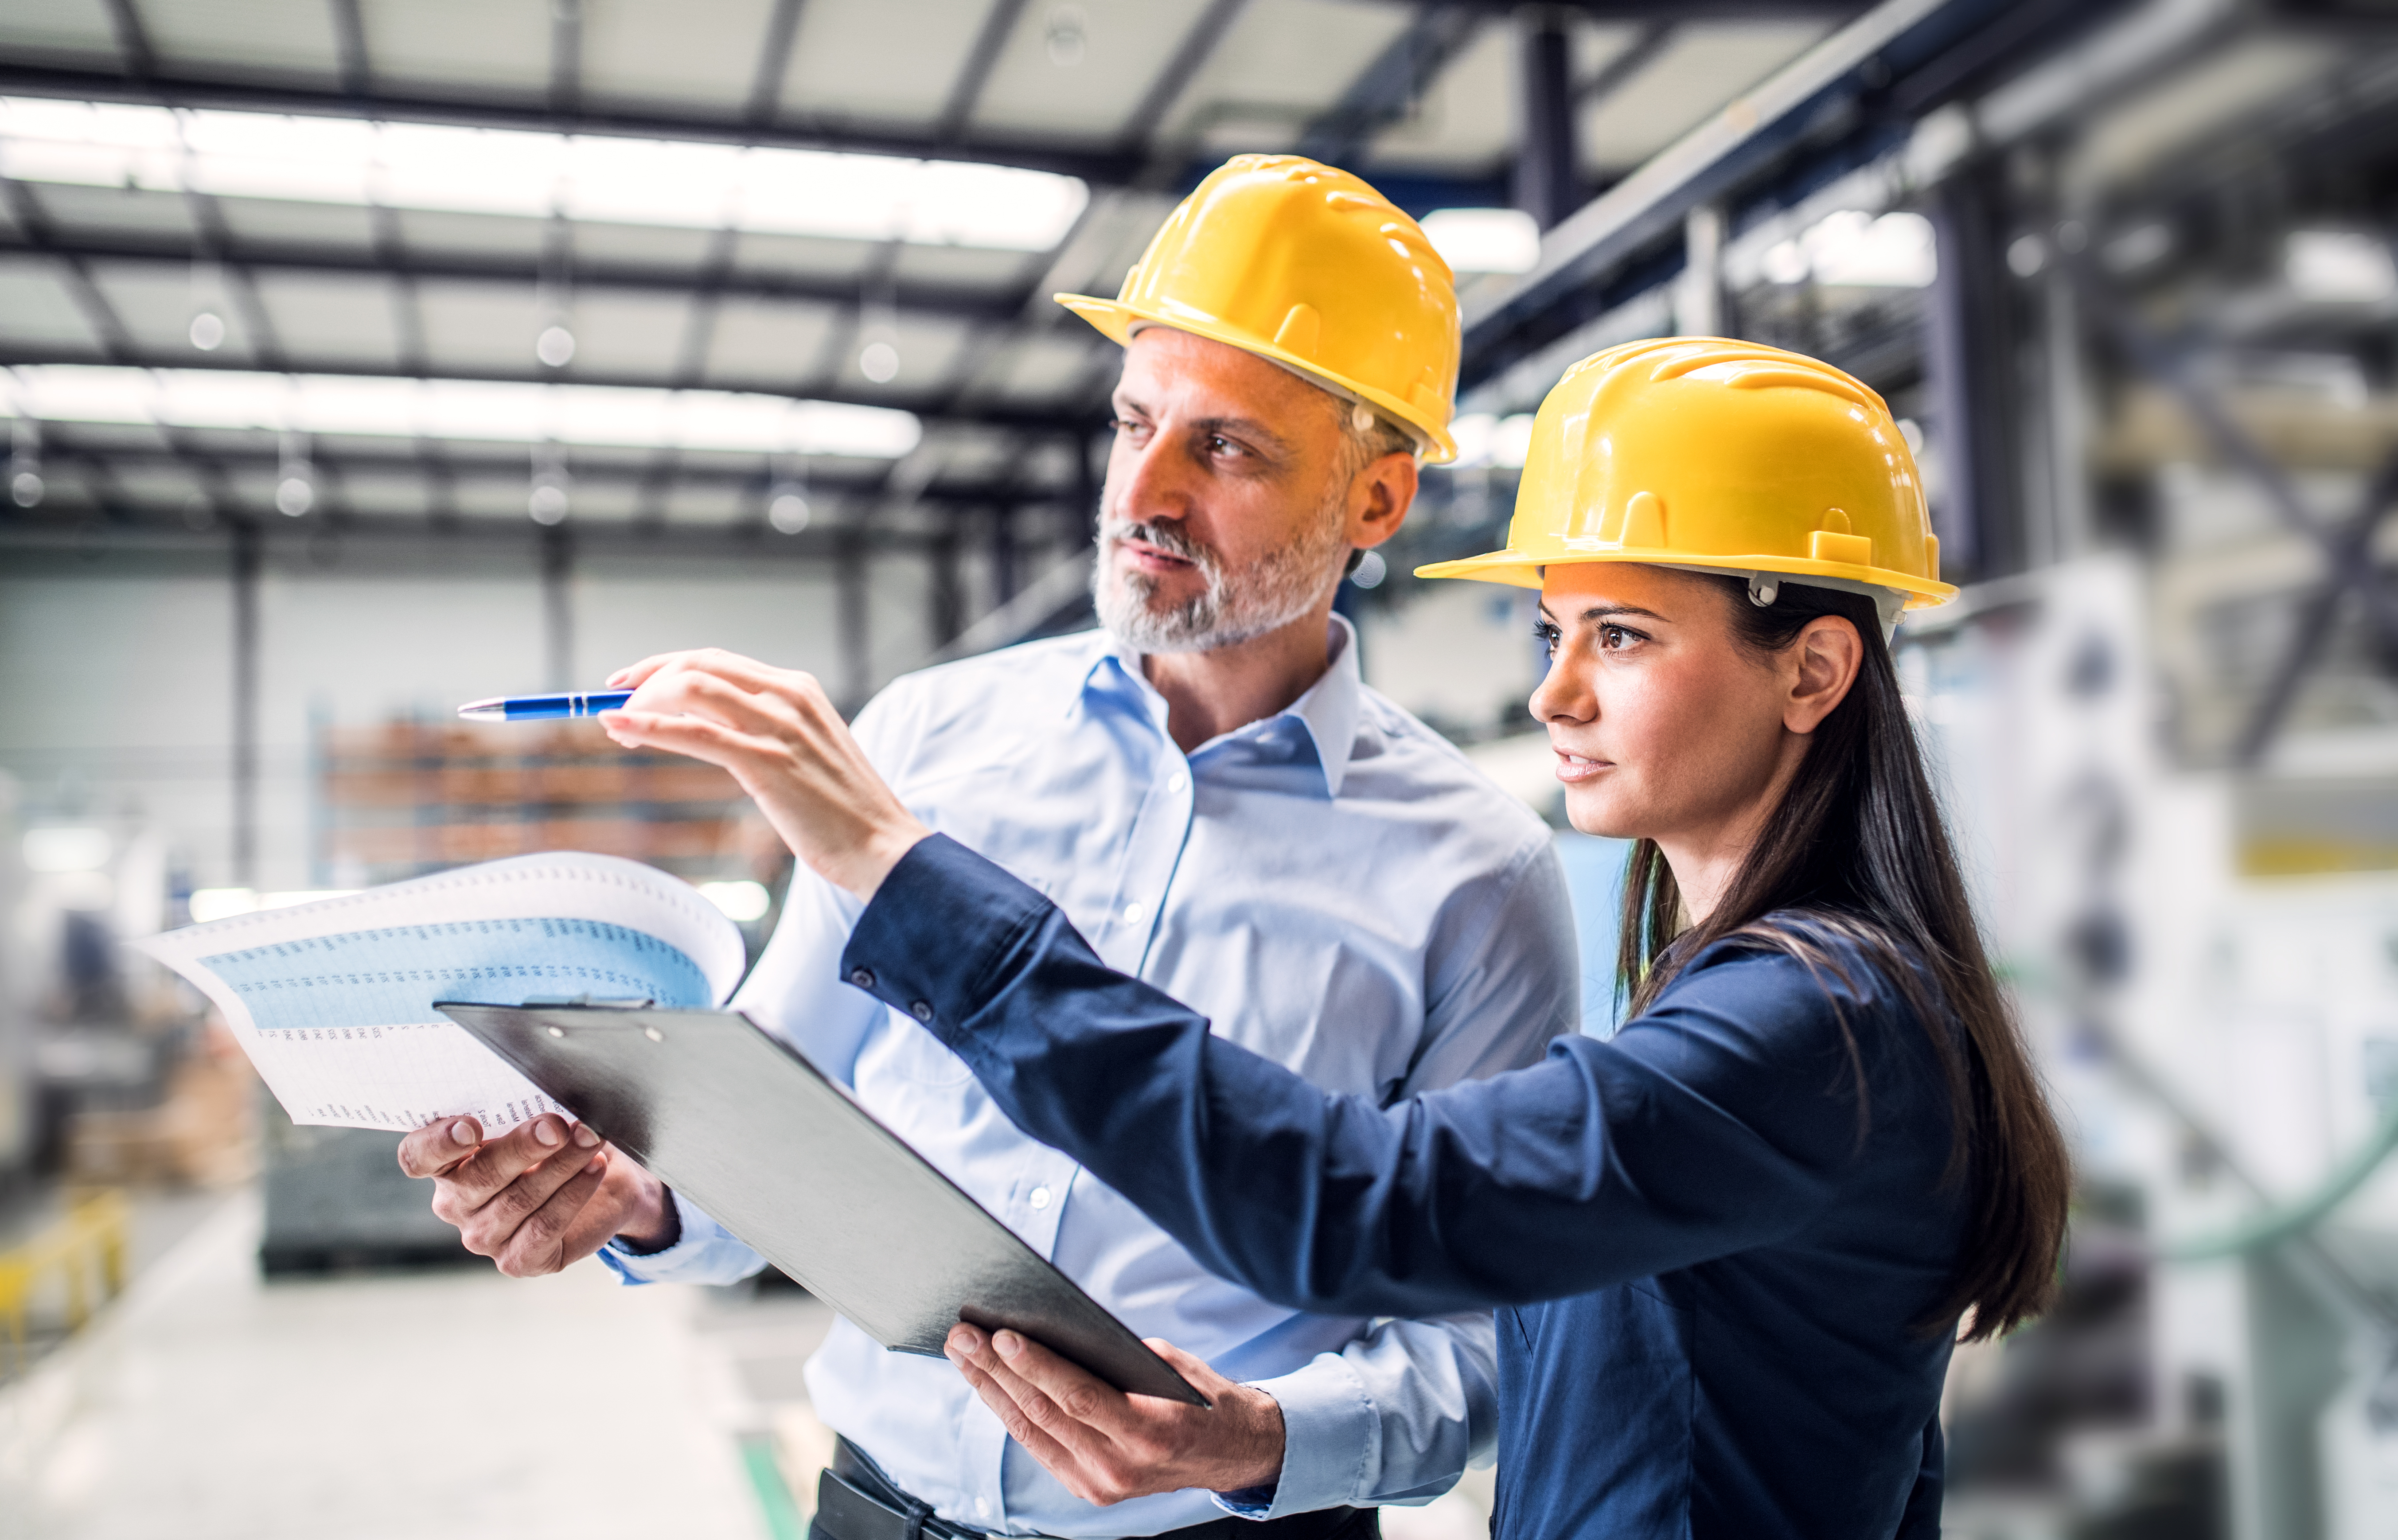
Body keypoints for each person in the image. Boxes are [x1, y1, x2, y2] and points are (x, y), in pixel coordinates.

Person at [593, 337, 2077, 1538]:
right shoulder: (1760, 1002)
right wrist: (643, 1190)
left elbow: (1360, 1205)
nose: (1556, 696)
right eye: (1551, 634)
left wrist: (902, 873)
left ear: (1812, 669)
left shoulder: (1808, 1022)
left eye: (1619, 636)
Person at [398, 155, 1581, 1540]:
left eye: (1227, 447)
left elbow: (1493, 1340)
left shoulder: (1475, 875)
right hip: (876, 1513)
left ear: (1375, 501)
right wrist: (639, 1195)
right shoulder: (928, 738)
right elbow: (783, 1121)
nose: (1145, 489)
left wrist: (1261, 1438)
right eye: (1135, 420)